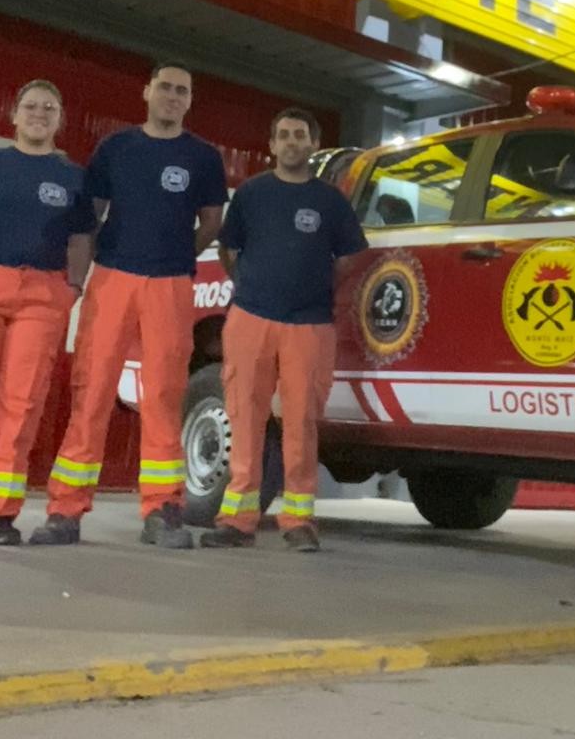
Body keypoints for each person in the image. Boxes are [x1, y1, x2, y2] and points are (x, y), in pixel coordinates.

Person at [31, 63, 228, 549]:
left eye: (182, 90)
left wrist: (179, 254)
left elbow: (212, 221)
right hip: (114, 278)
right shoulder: (115, 148)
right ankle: (65, 511)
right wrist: (101, 258)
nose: (172, 96)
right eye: (165, 87)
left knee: (163, 395)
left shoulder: (203, 157)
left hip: (170, 284)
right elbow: (89, 216)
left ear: (189, 100)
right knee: (92, 389)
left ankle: (163, 510)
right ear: (147, 92)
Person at [200, 107, 367, 553]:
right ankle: (237, 519)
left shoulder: (331, 202)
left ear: (313, 145)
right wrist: (253, 288)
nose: (292, 142)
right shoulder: (252, 193)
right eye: (284, 136)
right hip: (251, 319)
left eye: (301, 136)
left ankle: (298, 520)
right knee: (245, 416)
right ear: (272, 145)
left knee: (301, 422)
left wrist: (312, 288)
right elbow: (228, 249)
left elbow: (349, 258)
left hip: (309, 326)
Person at [0, 81, 95, 546]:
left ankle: (1, 512)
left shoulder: (74, 177)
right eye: (31, 106)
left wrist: (71, 288)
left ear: (60, 120)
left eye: (49, 108)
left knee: (21, 404)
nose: (39, 114)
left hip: (43, 292)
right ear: (14, 115)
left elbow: (81, 239)